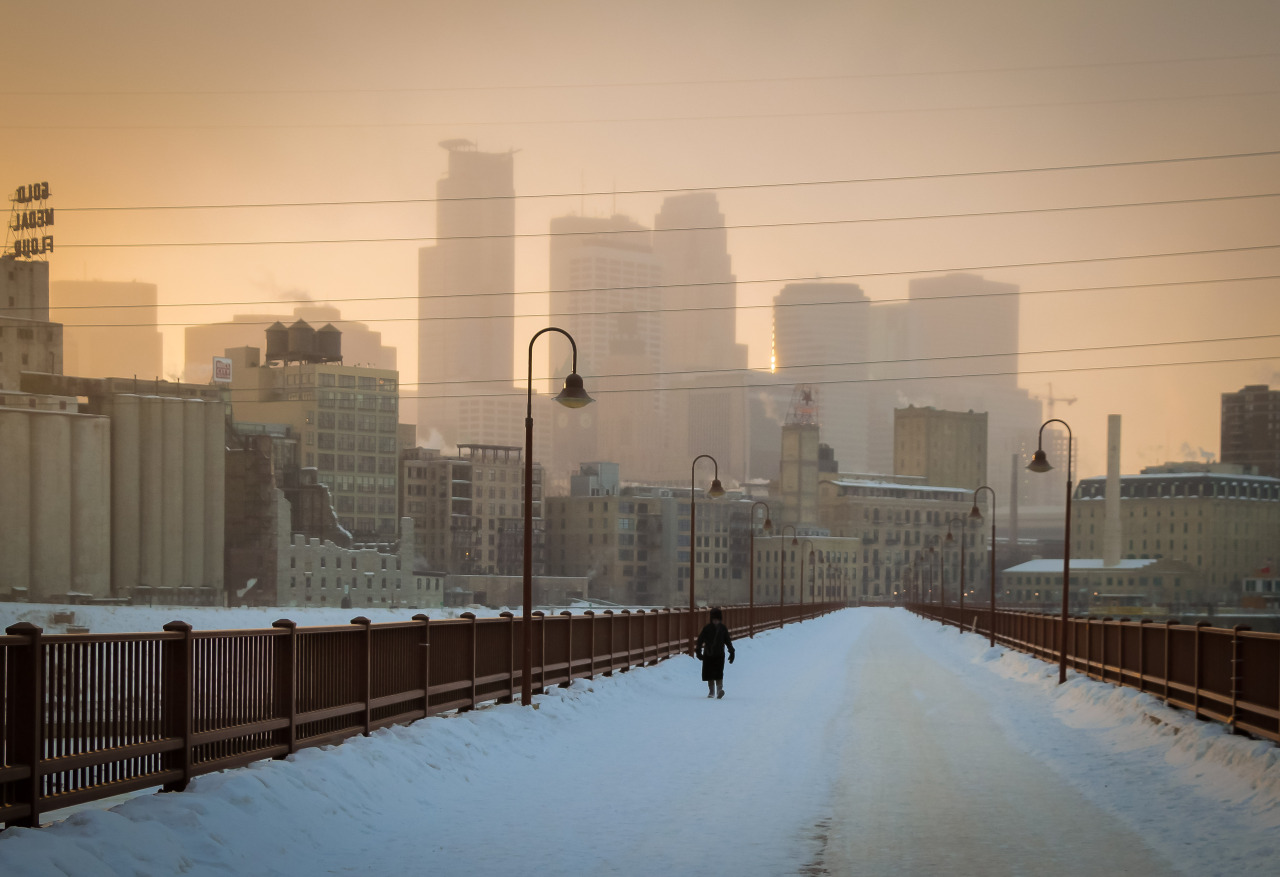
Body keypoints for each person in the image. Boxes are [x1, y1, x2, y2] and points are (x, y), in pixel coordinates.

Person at [695, 607, 735, 699]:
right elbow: (700, 641)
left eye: (717, 619)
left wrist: (732, 651)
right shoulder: (707, 628)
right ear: (711, 619)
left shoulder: (723, 629)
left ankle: (719, 690)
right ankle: (711, 691)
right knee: (709, 674)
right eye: (714, 619)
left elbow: (727, 641)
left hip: (719, 654)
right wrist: (698, 651)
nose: (716, 621)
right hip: (708, 654)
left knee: (719, 672)